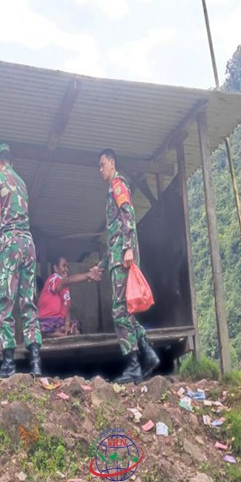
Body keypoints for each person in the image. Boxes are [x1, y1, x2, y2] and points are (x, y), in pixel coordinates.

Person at [97, 148, 160, 384]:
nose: (100, 170)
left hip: (123, 258)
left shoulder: (118, 185)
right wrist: (103, 264)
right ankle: (148, 354)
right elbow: (114, 232)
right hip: (117, 257)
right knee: (126, 311)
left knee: (119, 311)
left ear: (112, 163)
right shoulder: (111, 189)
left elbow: (128, 215)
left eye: (102, 165)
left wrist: (128, 248)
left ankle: (134, 366)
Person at [0, 143, 42, 378]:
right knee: (28, 302)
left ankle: (8, 363)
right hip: (28, 244)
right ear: (11, 161)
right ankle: (35, 361)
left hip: (9, 243)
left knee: (4, 300)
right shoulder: (22, 183)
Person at [37, 256, 102, 337]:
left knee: (76, 329)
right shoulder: (53, 279)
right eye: (64, 266)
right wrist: (87, 275)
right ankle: (56, 334)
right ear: (56, 268)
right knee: (41, 328)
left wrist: (67, 326)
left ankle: (62, 332)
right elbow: (67, 281)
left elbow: (67, 310)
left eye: (67, 267)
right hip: (48, 320)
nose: (66, 269)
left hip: (60, 322)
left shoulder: (66, 288)